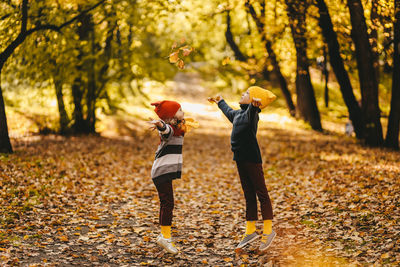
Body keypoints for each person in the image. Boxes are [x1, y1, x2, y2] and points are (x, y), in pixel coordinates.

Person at [208, 86, 276, 252]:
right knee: (248, 194)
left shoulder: (251, 115)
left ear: (253, 99)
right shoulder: (238, 114)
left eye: (246, 93)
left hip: (252, 159)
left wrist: (254, 106)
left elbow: (252, 113)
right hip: (240, 159)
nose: (242, 94)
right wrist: (220, 101)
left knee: (261, 193)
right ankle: (250, 230)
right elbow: (227, 110)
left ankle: (268, 230)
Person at [147, 100, 198, 254]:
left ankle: (165, 236)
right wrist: (160, 125)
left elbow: (183, 126)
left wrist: (178, 120)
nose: (183, 111)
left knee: (167, 203)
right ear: (171, 115)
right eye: (179, 110)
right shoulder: (169, 130)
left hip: (163, 171)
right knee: (168, 203)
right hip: (161, 172)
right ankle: (165, 237)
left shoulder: (178, 128)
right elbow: (166, 131)